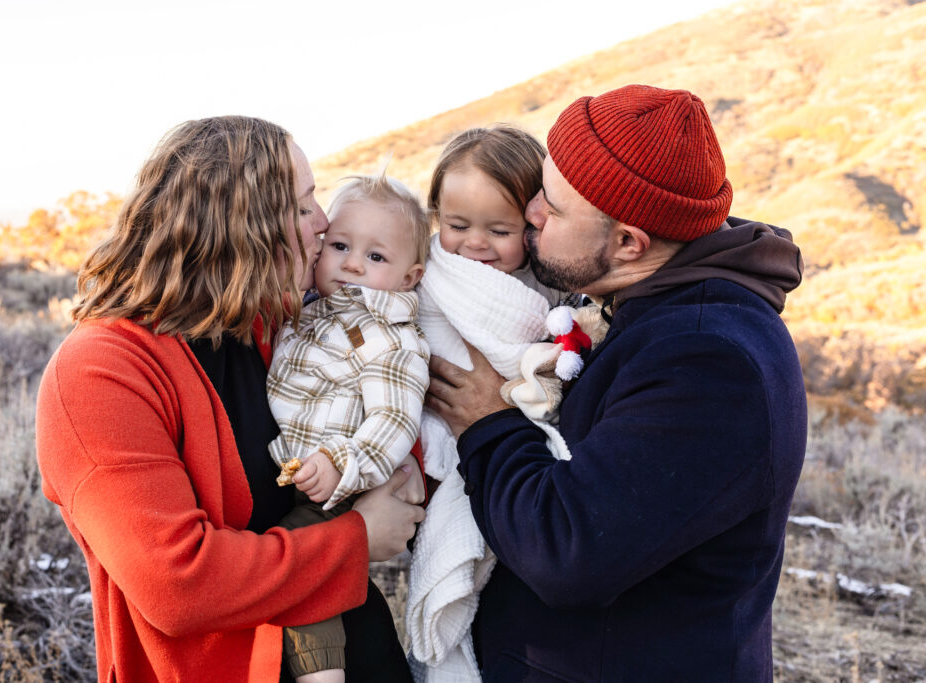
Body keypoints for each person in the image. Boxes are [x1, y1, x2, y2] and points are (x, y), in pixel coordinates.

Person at [425, 85, 807, 681]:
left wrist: (485, 425)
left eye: (551, 206)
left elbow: (567, 550)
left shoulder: (708, 360)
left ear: (629, 242)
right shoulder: (637, 304)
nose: (530, 214)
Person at [35, 116, 425, 683]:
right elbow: (179, 584)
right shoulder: (101, 374)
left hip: (355, 652)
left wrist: (404, 468)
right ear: (236, 228)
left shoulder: (276, 324)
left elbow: (377, 389)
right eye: (301, 206)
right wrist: (357, 538)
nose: (322, 223)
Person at [405, 125, 591, 682]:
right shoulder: (430, 276)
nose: (475, 245)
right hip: (438, 448)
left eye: (499, 230)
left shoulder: (555, 284)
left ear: (535, 224)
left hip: (513, 458)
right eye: (457, 226)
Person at [266, 173, 432, 683]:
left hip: (338, 482)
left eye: (376, 257)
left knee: (303, 560)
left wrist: (342, 462)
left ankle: (323, 673)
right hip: (300, 469)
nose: (353, 263)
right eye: (340, 245)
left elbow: (393, 419)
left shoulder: (387, 338)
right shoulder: (309, 314)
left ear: (410, 276)